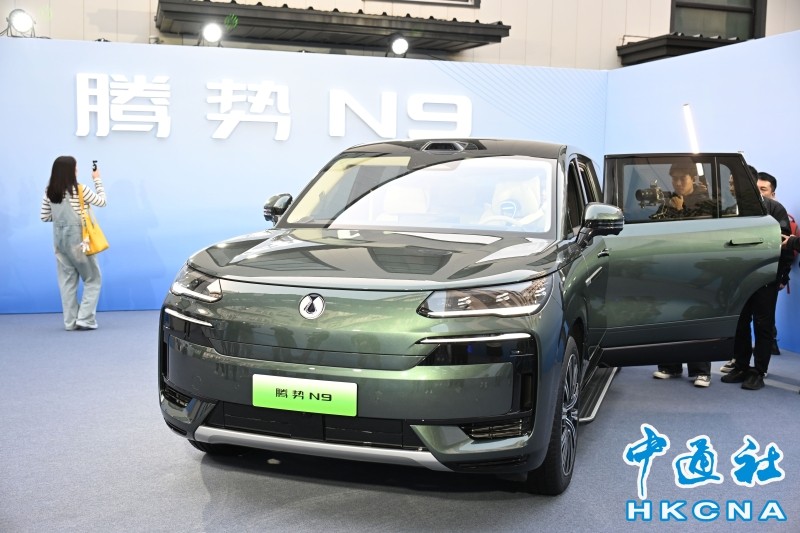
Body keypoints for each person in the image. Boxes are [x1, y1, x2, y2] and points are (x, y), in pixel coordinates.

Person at [721, 171, 793, 390]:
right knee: (740, 322)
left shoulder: (774, 209)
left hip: (765, 276)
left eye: (736, 181)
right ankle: (741, 366)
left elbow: (784, 245)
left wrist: (782, 276)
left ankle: (759, 371)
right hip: (737, 278)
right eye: (730, 182)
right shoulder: (729, 210)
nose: (732, 186)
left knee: (763, 325)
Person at [652, 160, 713, 386]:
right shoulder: (668, 200)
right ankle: (670, 365)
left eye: (682, 178)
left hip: (697, 267)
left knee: (696, 317)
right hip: (669, 266)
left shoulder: (706, 202)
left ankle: (701, 371)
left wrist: (679, 211)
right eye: (674, 178)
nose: (678, 183)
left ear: (692, 178)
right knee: (668, 314)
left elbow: (697, 235)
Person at [40, 155, 107, 330]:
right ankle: (85, 319)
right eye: (75, 167)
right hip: (80, 241)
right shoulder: (80, 189)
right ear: (70, 171)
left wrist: (62, 219)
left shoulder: (49, 191)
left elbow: (44, 216)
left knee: (67, 282)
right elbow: (102, 202)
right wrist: (97, 180)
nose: (77, 170)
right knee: (93, 278)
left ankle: (70, 322)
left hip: (60, 241)